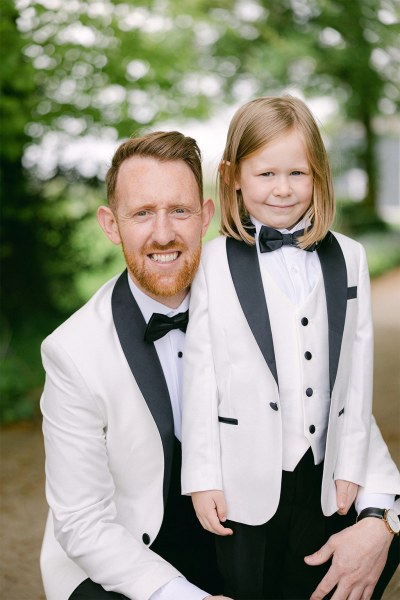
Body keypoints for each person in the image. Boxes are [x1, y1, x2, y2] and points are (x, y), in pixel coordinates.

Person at [181, 96, 400, 599]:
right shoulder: (213, 263)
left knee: (316, 582)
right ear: (234, 176)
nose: (283, 189)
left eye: (297, 173)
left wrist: (349, 464)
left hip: (323, 476)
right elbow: (200, 375)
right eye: (266, 174)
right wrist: (202, 477)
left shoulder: (352, 257)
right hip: (242, 478)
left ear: (318, 175)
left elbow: (356, 372)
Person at [39, 130, 230, 600]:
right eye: (143, 213)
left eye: (179, 210)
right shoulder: (72, 351)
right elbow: (83, 522)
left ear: (205, 216)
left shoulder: (247, 304)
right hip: (123, 556)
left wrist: (378, 518)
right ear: (111, 224)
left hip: (237, 537)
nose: (163, 233)